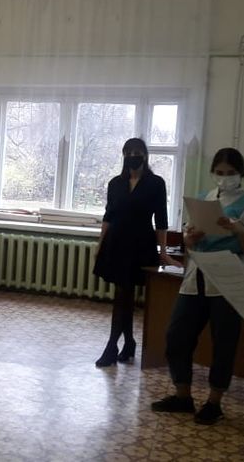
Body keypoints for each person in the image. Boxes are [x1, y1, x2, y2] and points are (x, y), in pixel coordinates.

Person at [150, 148, 244, 425]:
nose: (224, 178)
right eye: (219, 172)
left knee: (224, 340)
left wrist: (238, 230)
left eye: (230, 173)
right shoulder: (204, 199)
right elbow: (188, 240)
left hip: (228, 278)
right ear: (212, 172)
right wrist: (190, 238)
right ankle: (183, 396)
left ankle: (214, 402)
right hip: (197, 274)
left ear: (241, 173)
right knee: (177, 335)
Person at [93, 138, 178, 367]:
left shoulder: (156, 183)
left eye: (137, 152)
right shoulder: (115, 183)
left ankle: (112, 346)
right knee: (124, 294)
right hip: (116, 243)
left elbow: (161, 220)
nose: (133, 156)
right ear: (123, 155)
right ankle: (128, 342)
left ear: (145, 155)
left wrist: (163, 251)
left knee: (124, 295)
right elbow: (108, 216)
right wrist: (100, 244)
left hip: (140, 244)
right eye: (128, 152)